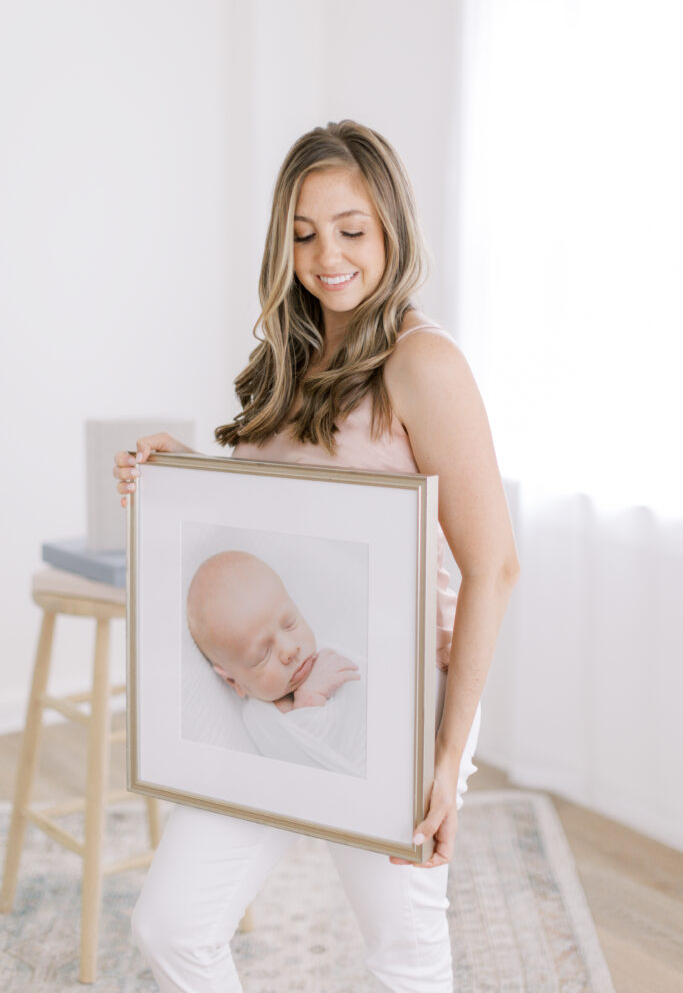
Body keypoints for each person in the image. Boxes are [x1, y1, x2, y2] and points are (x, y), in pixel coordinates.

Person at [113, 119, 520, 993]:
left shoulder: (421, 362)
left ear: (390, 230)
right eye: (302, 234)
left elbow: (494, 568)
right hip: (278, 688)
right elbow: (274, 517)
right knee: (173, 925)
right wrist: (170, 475)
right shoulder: (291, 354)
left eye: (350, 230)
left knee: (404, 955)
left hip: (400, 700)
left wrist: (446, 762)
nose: (325, 255)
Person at [186, 549, 361, 713]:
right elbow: (313, 743)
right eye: (263, 654)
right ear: (233, 681)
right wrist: (310, 698)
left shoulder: (321, 653)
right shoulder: (265, 715)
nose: (290, 649)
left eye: (290, 623)